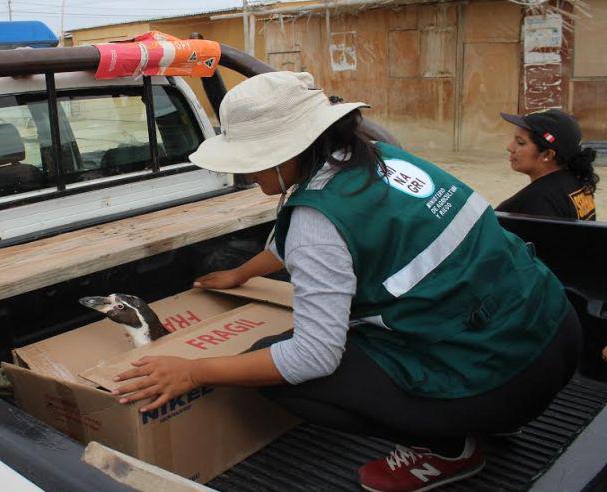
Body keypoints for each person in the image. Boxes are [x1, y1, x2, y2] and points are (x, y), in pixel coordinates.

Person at [111, 72, 581, 492]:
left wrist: (193, 370)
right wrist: (242, 272)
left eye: (251, 158)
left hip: (505, 383)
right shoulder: (380, 158)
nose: (244, 171)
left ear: (286, 151)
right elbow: (306, 240)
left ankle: (450, 449)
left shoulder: (318, 221)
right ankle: (484, 415)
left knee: (279, 370)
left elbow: (313, 355)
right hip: (556, 333)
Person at [497, 109, 598, 220]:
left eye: (520, 142)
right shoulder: (577, 182)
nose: (510, 147)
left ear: (547, 155)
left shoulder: (537, 202)